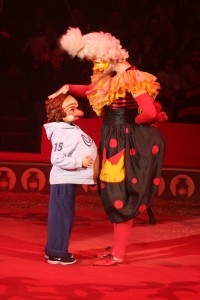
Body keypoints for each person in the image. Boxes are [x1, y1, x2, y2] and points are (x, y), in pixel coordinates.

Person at [48, 27, 167, 266]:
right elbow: (93, 90)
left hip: (122, 140)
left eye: (96, 60)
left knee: (118, 191)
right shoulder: (115, 76)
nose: (95, 66)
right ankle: (117, 249)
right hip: (114, 137)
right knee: (113, 190)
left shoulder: (130, 76)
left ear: (108, 55)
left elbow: (150, 111)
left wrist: (133, 123)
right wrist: (68, 87)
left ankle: (118, 254)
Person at [44, 93, 99, 265]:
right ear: (59, 112)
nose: (78, 112)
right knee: (62, 217)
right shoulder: (61, 131)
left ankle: (53, 250)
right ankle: (58, 253)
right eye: (72, 109)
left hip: (68, 179)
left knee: (64, 215)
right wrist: (79, 162)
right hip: (63, 180)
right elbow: (57, 159)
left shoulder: (69, 127)